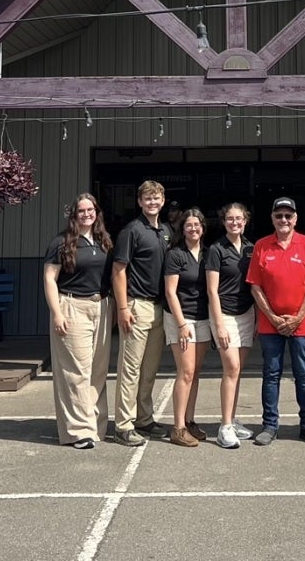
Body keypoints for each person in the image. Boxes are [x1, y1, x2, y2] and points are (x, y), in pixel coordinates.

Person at [246, 196, 305, 446]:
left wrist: (298, 318)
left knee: (303, 374)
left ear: (295, 218)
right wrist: (271, 316)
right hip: (271, 325)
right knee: (271, 374)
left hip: (300, 325)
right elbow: (255, 286)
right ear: (272, 218)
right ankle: (270, 425)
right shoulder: (261, 245)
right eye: (279, 215)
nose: (283, 219)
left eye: (288, 215)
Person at [42, 193, 114, 450]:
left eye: (90, 209)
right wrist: (57, 313)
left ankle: (96, 425)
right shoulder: (62, 242)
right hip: (72, 306)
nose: (86, 214)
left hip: (102, 306)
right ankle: (78, 431)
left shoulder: (103, 241)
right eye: (81, 210)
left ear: (97, 212)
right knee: (75, 371)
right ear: (74, 215)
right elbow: (50, 279)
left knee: (98, 371)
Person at [112, 180, 172, 446]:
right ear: (139, 202)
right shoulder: (131, 231)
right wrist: (123, 307)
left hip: (159, 308)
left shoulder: (166, 231)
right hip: (137, 306)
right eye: (147, 198)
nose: (152, 202)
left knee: (150, 369)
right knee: (130, 370)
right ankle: (123, 425)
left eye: (156, 198)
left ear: (162, 200)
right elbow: (118, 270)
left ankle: (144, 419)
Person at [206, 202, 256, 449]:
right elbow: (212, 291)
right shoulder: (216, 249)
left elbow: (255, 285)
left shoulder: (250, 248)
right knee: (232, 368)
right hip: (223, 315)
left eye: (239, 219)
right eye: (229, 219)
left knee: (238, 371)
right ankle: (224, 427)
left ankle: (232, 419)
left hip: (246, 314)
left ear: (245, 221)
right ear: (223, 221)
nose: (234, 222)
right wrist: (219, 326)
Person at [163, 208, 211, 447]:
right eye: (189, 225)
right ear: (182, 229)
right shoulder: (175, 255)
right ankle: (178, 427)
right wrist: (181, 324)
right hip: (180, 318)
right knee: (186, 372)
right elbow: (170, 292)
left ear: (203, 227)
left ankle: (190, 421)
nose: (193, 228)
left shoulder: (207, 253)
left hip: (202, 318)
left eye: (197, 224)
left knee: (196, 371)